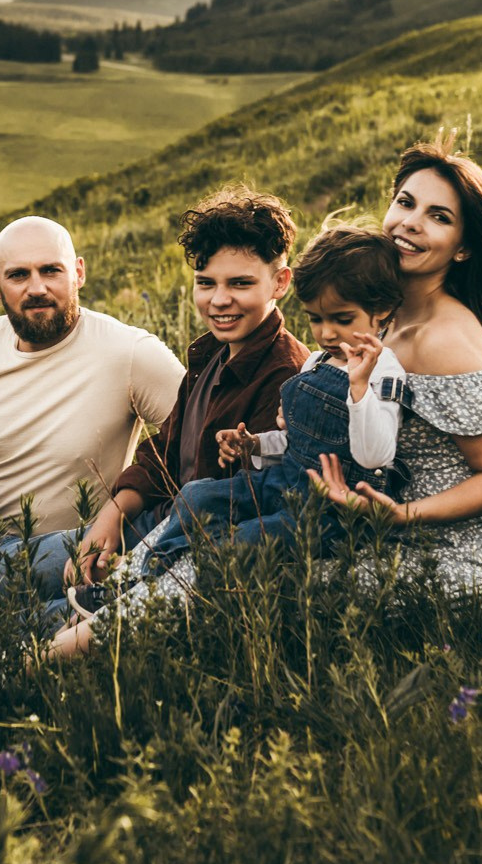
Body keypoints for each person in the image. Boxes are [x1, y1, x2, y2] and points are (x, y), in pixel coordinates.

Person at [48, 218, 409, 654]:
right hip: (279, 481)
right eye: (316, 319)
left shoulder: (380, 371)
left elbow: (376, 453)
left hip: (326, 507)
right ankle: (134, 584)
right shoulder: (310, 361)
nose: (328, 333)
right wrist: (256, 446)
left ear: (383, 313)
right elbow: (292, 442)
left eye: (342, 319)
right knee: (198, 495)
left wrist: (358, 389)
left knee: (236, 541)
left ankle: (121, 601)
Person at [62, 187, 311, 595]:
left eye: (240, 283)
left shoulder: (288, 378)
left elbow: (249, 509)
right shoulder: (212, 352)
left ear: (280, 281)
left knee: (38, 620)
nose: (219, 300)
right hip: (150, 521)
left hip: (180, 552)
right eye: (205, 283)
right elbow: (167, 449)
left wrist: (138, 566)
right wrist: (112, 514)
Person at [0, 215, 184, 605]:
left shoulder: (129, 352)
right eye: (18, 275)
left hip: (66, 550)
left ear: (78, 273)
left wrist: (123, 510)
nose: (37, 288)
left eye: (51, 271)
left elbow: (199, 435)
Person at [307, 141, 482, 598]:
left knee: (264, 578)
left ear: (463, 249)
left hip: (448, 555)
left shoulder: (442, 340)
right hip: (371, 532)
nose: (410, 222)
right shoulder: (378, 315)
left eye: (438, 217)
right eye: (405, 203)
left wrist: (404, 516)